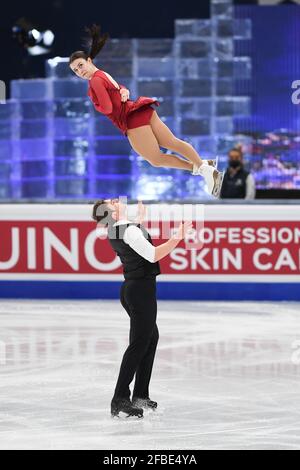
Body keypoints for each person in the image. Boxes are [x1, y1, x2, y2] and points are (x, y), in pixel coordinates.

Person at [70, 24, 224, 197]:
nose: (79, 71)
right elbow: (116, 89)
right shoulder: (101, 74)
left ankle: (204, 169)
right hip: (141, 110)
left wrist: (96, 104)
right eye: (75, 70)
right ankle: (205, 167)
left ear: (89, 61)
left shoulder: (94, 81)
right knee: (172, 142)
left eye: (81, 65)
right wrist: (123, 89)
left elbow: (107, 107)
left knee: (156, 159)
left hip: (131, 120)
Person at [92, 198, 193, 418]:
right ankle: (119, 398)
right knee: (138, 344)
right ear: (114, 215)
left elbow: (131, 234)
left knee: (150, 338)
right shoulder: (128, 231)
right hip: (140, 293)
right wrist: (178, 236)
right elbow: (153, 254)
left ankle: (140, 395)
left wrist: (139, 219)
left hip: (133, 289)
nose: (116, 201)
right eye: (112, 203)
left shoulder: (116, 230)